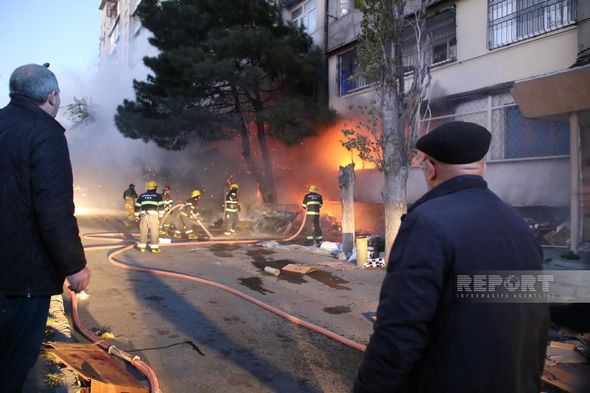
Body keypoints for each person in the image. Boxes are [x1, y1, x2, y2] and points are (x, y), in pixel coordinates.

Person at [354, 121, 549, 393]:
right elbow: (534, 315)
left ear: (430, 168)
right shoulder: (517, 225)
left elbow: (401, 329)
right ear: (483, 167)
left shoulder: (427, 224)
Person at [0, 64, 91, 391]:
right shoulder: (45, 133)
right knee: (14, 362)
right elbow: (53, 208)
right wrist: (74, 265)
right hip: (22, 276)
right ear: (52, 96)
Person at [134, 181, 164, 253]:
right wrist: (160, 215)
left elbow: (137, 206)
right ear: (155, 188)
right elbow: (161, 206)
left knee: (143, 231)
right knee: (154, 231)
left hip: (143, 215)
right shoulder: (158, 196)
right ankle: (154, 248)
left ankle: (142, 247)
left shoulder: (142, 195)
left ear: (147, 188)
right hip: (153, 215)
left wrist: (136, 215)